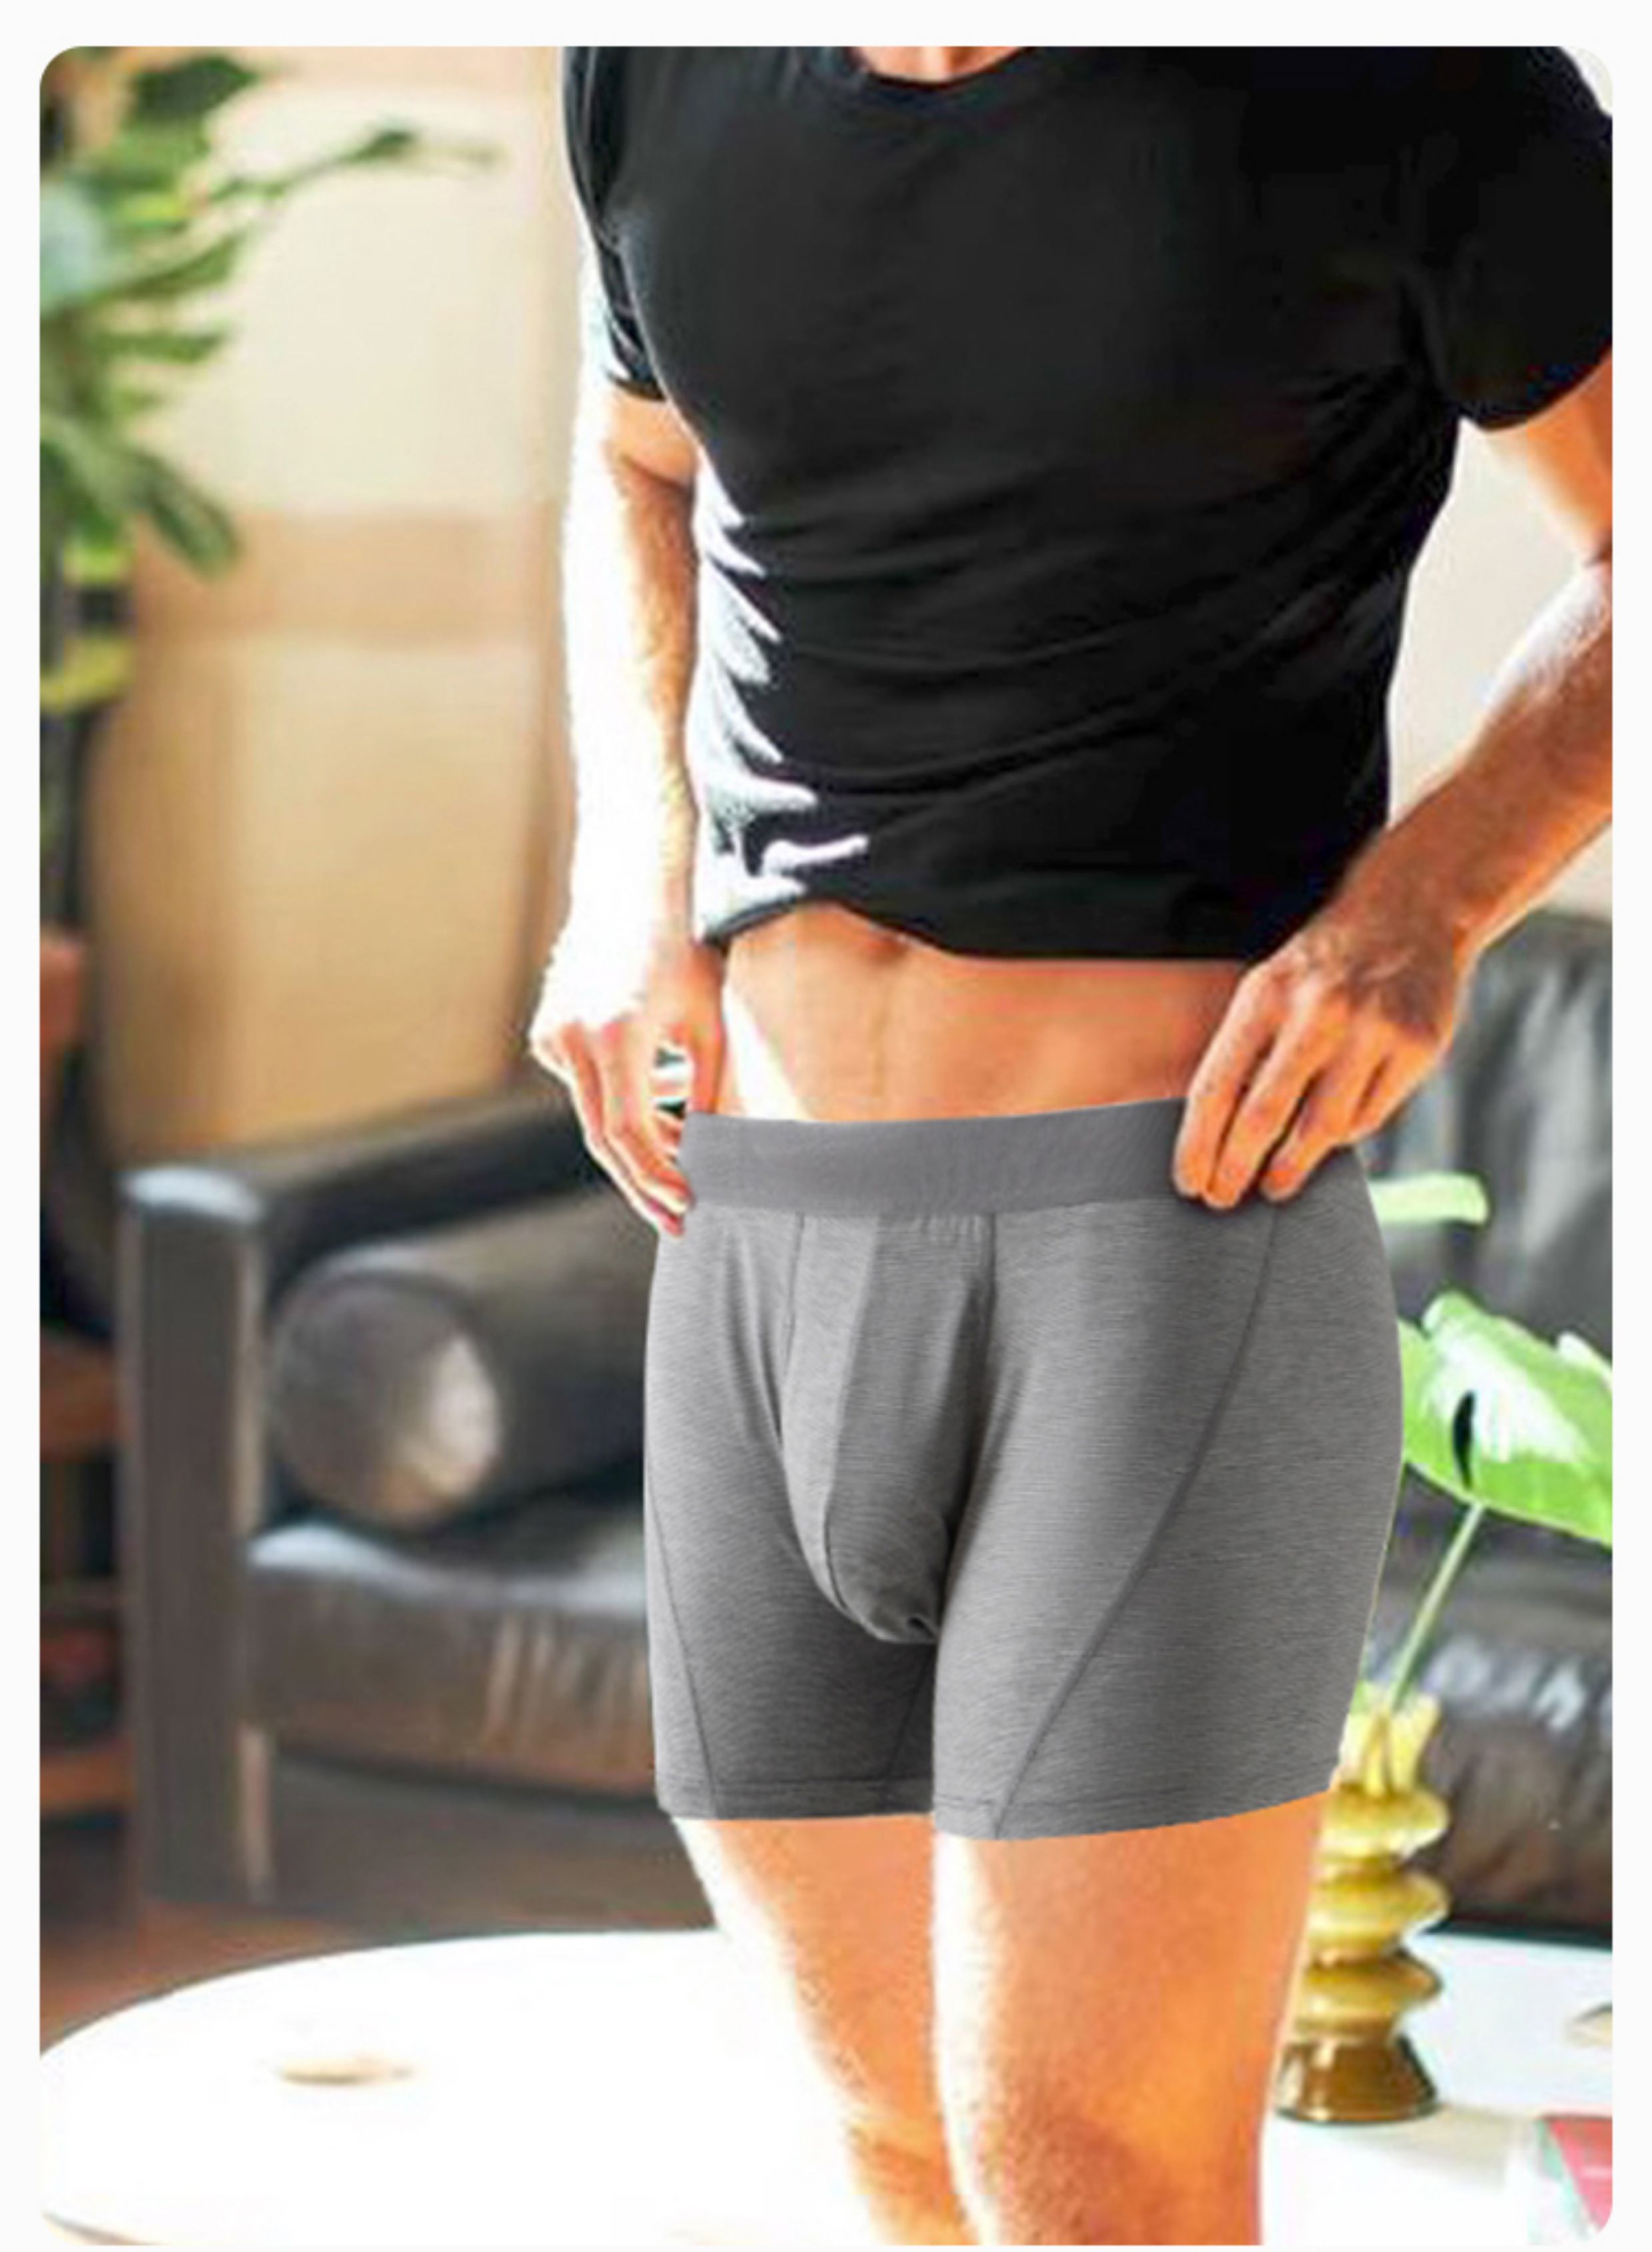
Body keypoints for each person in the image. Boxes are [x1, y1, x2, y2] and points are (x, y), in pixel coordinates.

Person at [533, 47, 1611, 2247]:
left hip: (1158, 1243)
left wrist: (1433, 897)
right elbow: (637, 453)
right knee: (898, 2146)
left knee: (1092, 2179)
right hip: (752, 1237)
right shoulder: (656, 64)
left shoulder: (1406, 83)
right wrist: (627, 865)